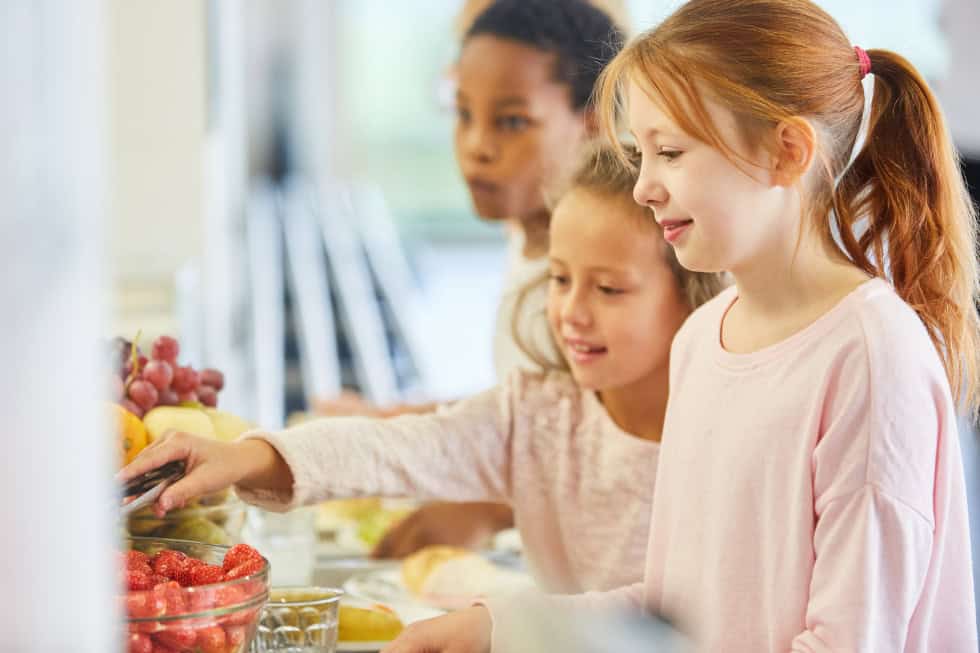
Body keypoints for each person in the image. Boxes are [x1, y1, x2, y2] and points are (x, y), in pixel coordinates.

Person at [381, 0, 980, 651]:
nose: (642, 187)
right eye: (641, 153)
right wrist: (498, 627)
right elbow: (670, 611)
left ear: (786, 153)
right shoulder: (700, 339)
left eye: (669, 151)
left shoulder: (869, 356)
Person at [120, 144, 727, 596]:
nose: (571, 312)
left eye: (610, 289)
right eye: (561, 279)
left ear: (693, 293)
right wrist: (240, 457)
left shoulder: (725, 430)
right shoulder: (536, 414)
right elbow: (392, 449)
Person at [317, 0, 629, 559]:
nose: (476, 146)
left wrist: (486, 507)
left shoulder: (604, 281)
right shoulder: (527, 236)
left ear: (594, 123)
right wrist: (388, 421)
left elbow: (620, 449)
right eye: (463, 115)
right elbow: (533, 407)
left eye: (511, 121)